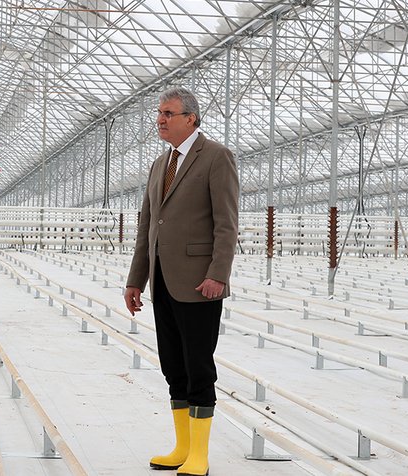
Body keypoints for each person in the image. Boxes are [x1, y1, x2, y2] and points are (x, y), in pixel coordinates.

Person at [124, 87, 239, 476]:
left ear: (191, 118)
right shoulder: (161, 164)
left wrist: (217, 275)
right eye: (159, 113)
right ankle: (182, 447)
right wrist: (135, 279)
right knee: (173, 365)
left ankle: (200, 456)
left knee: (198, 365)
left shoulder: (217, 157)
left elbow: (226, 223)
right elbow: (147, 225)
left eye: (168, 113)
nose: (160, 119)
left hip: (198, 282)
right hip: (162, 280)